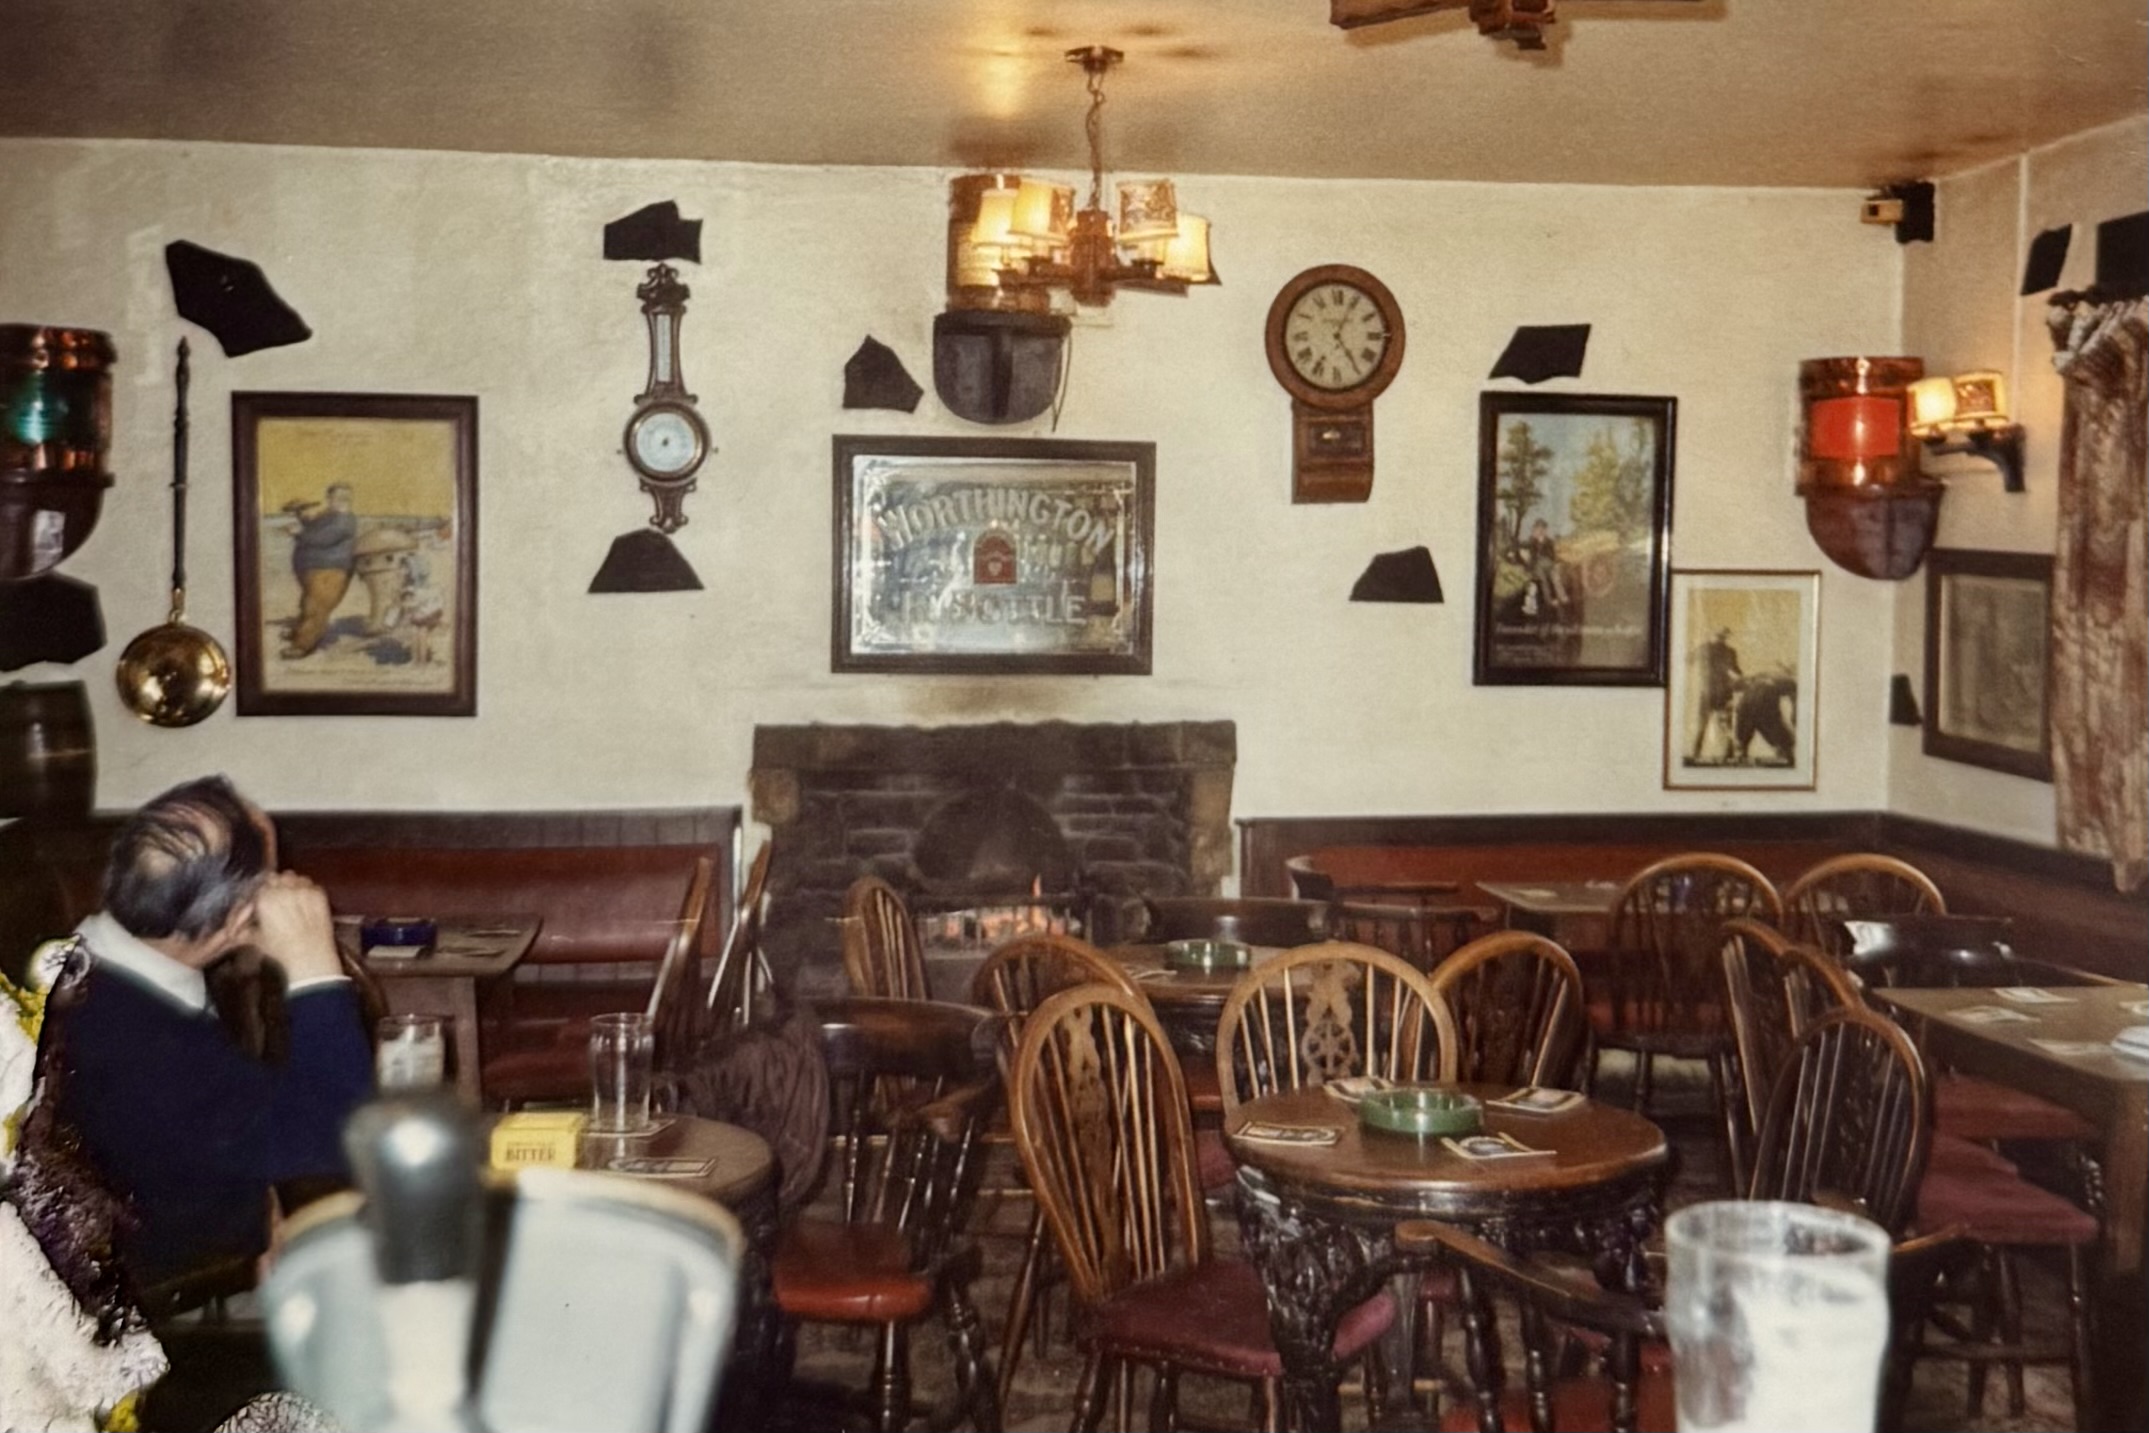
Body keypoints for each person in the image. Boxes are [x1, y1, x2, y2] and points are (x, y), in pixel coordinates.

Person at [33, 775, 373, 1289]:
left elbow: (235, 1120)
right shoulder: (143, 1044)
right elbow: (342, 1138)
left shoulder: (73, 969)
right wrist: (314, 966)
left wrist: (270, 1198)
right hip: (162, 1303)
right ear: (241, 915)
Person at [280, 483, 358, 659]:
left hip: (331, 571)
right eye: (338, 497)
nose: (343, 500)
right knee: (307, 604)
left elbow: (322, 538)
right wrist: (300, 513)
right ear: (329, 499)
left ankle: (302, 646)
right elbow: (313, 526)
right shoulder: (330, 515)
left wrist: (298, 533)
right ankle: (299, 632)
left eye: (346, 497)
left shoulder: (345, 520)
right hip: (315, 571)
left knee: (316, 608)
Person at [1689, 626, 1744, 764]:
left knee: (1721, 725)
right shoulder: (1709, 649)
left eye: (1723, 636)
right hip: (1714, 692)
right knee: (1713, 725)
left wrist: (1738, 678)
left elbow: (1736, 670)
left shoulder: (1718, 650)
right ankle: (1700, 753)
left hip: (1717, 692)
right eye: (1720, 635)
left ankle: (1724, 754)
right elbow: (1736, 671)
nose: (1721, 638)